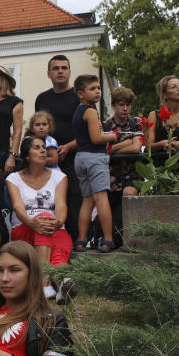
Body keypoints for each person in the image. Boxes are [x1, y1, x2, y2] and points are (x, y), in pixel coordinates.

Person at [5, 136, 72, 301]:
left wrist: (59, 221)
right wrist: (32, 223)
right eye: (37, 147)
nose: (43, 150)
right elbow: (18, 207)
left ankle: (63, 285)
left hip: (55, 229)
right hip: (24, 228)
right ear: (26, 156)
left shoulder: (59, 177)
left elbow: (62, 206)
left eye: (43, 147)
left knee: (58, 253)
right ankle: (45, 284)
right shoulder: (13, 178)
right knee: (44, 218)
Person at [35, 55, 81, 241]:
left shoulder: (78, 97)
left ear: (69, 72)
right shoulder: (42, 98)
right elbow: (38, 127)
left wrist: (69, 147)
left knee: (74, 198)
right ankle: (53, 238)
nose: (60, 71)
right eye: (56, 68)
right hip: (47, 162)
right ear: (49, 74)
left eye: (64, 67)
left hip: (73, 158)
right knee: (49, 200)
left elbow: (89, 130)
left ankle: (77, 240)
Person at [72, 74, 118, 253]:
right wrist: (113, 136)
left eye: (99, 88)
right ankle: (108, 239)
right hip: (94, 158)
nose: (98, 91)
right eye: (93, 89)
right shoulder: (90, 111)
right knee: (101, 197)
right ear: (81, 93)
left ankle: (81, 239)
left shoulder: (77, 112)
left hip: (81, 157)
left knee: (87, 199)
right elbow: (96, 137)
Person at [103, 87, 143, 246]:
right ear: (113, 105)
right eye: (121, 105)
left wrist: (115, 147)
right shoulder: (105, 126)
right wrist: (127, 142)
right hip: (111, 177)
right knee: (110, 214)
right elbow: (104, 151)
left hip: (132, 174)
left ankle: (129, 241)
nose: (125, 108)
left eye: (128, 105)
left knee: (128, 197)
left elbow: (136, 147)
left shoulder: (136, 123)